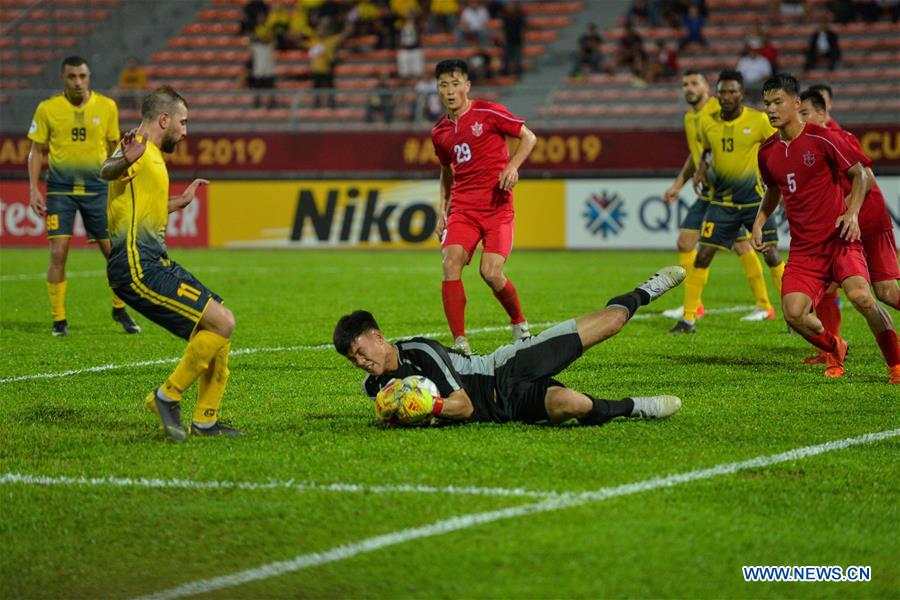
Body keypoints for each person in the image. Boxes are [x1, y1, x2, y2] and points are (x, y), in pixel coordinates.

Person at [333, 266, 687, 426]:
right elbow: (392, 411)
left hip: (507, 369)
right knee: (573, 404)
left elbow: (464, 406)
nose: (360, 361)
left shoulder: (419, 352)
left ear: (378, 337)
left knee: (612, 323)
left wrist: (429, 406)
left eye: (361, 351)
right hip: (508, 408)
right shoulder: (375, 387)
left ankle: (646, 291)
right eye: (353, 359)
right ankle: (636, 407)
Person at [99, 86, 242, 439]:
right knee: (222, 322)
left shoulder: (153, 158)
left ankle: (206, 420)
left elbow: (141, 209)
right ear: (164, 119)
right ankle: (167, 396)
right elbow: (106, 170)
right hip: (135, 264)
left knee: (218, 322)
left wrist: (179, 202)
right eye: (183, 122)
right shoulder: (136, 147)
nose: (185, 131)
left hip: (154, 260)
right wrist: (125, 158)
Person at [754, 74, 899, 383]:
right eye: (767, 103)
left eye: (778, 102)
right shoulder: (767, 152)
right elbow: (773, 190)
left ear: (796, 103)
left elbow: (860, 174)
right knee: (793, 314)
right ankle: (835, 346)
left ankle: (896, 365)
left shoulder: (823, 137)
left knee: (863, 296)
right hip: (805, 249)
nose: (771, 109)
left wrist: (852, 213)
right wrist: (759, 221)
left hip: (839, 240)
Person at [27, 56, 140, 337]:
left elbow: (115, 147)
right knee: (59, 252)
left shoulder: (107, 106)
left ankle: (119, 308)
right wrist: (32, 188)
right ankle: (59, 320)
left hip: (98, 189)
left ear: (89, 77)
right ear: (63, 78)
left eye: (82, 76)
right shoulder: (47, 109)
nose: (78, 82)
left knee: (111, 253)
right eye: (72, 77)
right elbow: (36, 151)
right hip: (60, 191)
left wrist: (121, 177)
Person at [430, 59, 537, 355]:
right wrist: (443, 208)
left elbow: (529, 137)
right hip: (463, 209)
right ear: (437, 89)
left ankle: (519, 323)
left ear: (467, 85)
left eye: (455, 84)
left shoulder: (488, 112)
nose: (450, 91)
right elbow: (446, 171)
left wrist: (513, 166)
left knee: (490, 273)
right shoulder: (439, 132)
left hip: (497, 208)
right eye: (443, 85)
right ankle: (460, 343)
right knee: (450, 263)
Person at [670, 69, 786, 334]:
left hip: (755, 201)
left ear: (741, 94)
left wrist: (780, 186)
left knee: (770, 253)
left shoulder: (758, 120)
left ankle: (790, 314)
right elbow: (707, 150)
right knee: (703, 254)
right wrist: (700, 169)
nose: (727, 96)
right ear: (717, 93)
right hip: (722, 202)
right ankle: (688, 318)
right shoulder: (707, 122)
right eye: (723, 91)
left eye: (732, 91)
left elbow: (779, 147)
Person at [797, 89, 900, 365]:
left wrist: (846, 210)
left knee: (887, 292)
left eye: (805, 113)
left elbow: (865, 177)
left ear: (822, 112)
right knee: (828, 286)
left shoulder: (837, 136)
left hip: (868, 221)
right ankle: (831, 352)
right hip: (844, 226)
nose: (801, 119)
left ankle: (835, 352)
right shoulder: (807, 140)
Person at [500, 1, 526, 77]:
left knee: (518, 58)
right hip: (508, 41)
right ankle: (505, 73)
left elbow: (523, 28)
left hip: (517, 41)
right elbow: (503, 29)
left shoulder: (519, 16)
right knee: (506, 58)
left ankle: (518, 73)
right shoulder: (506, 17)